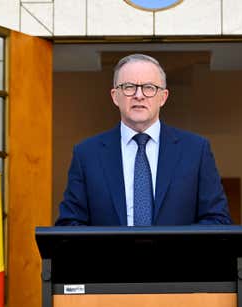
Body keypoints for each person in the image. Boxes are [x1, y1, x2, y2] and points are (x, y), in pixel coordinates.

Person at [55, 53, 231, 226]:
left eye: (149, 87)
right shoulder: (87, 154)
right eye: (129, 86)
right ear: (115, 96)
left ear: (163, 97)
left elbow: (217, 220)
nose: (139, 95)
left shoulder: (195, 151)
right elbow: (70, 224)